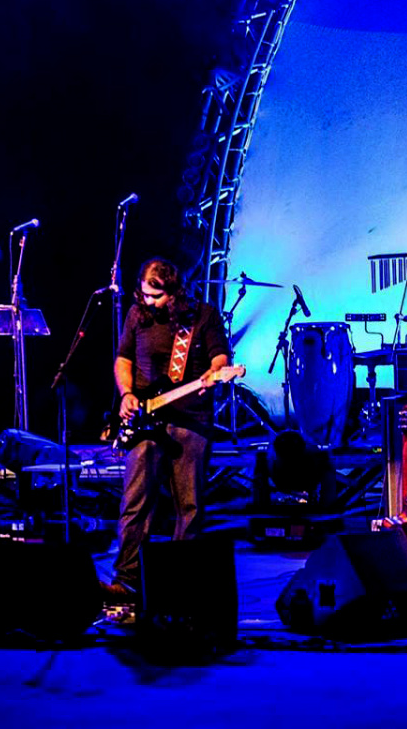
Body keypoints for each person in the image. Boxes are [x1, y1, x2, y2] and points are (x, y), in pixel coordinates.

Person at [103, 258, 235, 603]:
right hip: (145, 419)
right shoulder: (137, 314)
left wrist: (215, 373)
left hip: (190, 419)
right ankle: (126, 581)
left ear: (173, 292)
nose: (148, 301)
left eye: (156, 296)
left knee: (189, 506)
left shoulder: (202, 315)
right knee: (135, 502)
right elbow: (123, 358)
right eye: (144, 295)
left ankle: (179, 585)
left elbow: (220, 357)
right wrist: (127, 394)